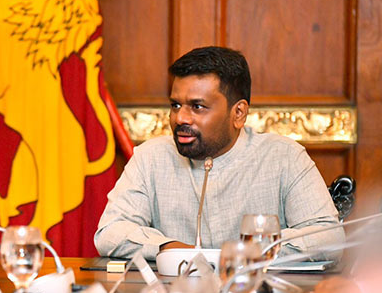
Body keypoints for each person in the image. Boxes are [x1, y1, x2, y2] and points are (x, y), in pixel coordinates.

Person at [95, 46, 344, 260]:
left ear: (238, 114)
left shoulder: (284, 157)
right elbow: (110, 232)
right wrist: (169, 248)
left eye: (197, 107)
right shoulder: (151, 157)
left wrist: (247, 251)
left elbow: (327, 236)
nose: (180, 117)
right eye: (175, 105)